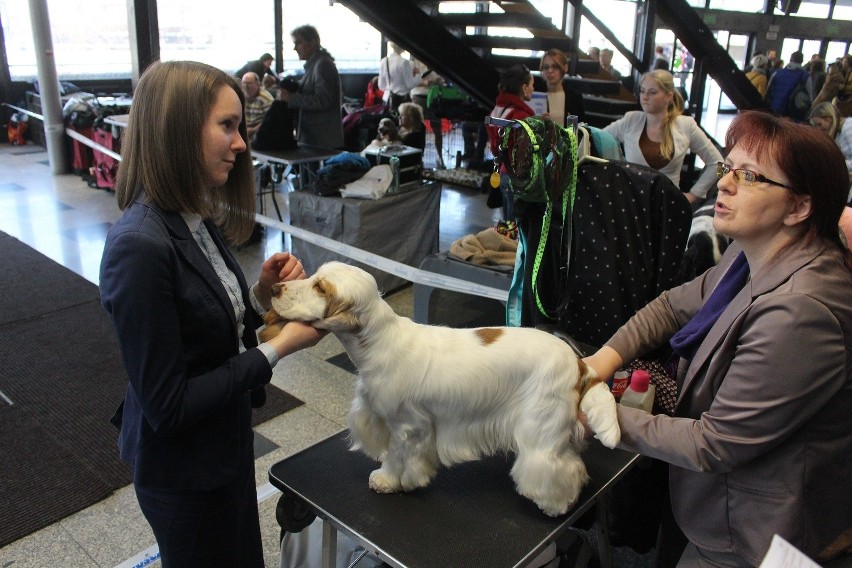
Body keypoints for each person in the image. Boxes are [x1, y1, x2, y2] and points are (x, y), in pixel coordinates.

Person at [582, 110, 852, 568]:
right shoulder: (753, 255)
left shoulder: (801, 314)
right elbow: (671, 306)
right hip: (719, 507)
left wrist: (590, 412)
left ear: (799, 207)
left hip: (760, 536)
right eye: (728, 169)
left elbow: (714, 443)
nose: (724, 184)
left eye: (749, 176)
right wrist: (598, 364)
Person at [99, 60, 326, 567]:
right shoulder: (139, 246)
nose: (241, 143)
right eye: (227, 126)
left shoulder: (192, 215)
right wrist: (278, 347)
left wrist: (261, 294)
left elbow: (202, 322)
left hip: (220, 450)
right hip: (184, 473)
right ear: (177, 131)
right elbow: (169, 405)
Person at [603, 69, 723, 203]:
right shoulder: (631, 120)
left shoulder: (686, 125)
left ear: (669, 96)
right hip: (631, 203)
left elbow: (718, 163)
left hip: (669, 207)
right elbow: (597, 139)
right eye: (642, 91)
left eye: (652, 92)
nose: (645, 97)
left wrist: (694, 194)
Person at [278, 25, 344, 149]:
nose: (294, 48)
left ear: (313, 42)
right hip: (314, 139)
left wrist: (290, 98)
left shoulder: (322, 65)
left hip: (321, 141)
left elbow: (323, 101)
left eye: (298, 43)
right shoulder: (315, 66)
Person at [486, 64, 535, 220]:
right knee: (518, 229)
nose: (533, 89)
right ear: (524, 87)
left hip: (503, 171)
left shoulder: (499, 109)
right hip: (518, 177)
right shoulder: (520, 115)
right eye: (532, 85)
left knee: (509, 224)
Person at [809, 101, 852, 199]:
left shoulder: (848, 127)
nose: (818, 129)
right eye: (815, 125)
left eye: (819, 124)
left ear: (829, 118)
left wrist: (837, 164)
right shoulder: (837, 134)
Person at [538, 48, 587, 127]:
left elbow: (582, 127)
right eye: (546, 67)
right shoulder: (536, 95)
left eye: (555, 66)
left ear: (565, 68)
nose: (550, 71)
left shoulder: (574, 97)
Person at [378, 41, 423, 113]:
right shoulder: (404, 62)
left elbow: (381, 86)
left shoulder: (384, 61)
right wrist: (418, 75)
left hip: (387, 99)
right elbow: (410, 84)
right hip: (402, 101)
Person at [241, 71, 274, 139]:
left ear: (257, 84)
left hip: (259, 135)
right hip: (243, 133)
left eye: (249, 83)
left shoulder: (266, 98)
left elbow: (270, 121)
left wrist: (253, 130)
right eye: (244, 83)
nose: (245, 86)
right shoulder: (240, 96)